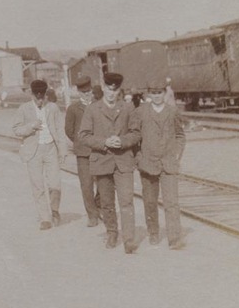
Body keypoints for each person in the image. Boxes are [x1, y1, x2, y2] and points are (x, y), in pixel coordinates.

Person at [74, 71, 142, 253]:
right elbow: (83, 135)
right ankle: (112, 232)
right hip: (102, 161)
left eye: (116, 89)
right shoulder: (92, 109)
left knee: (126, 200)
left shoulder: (128, 108)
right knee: (107, 202)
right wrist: (104, 142)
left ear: (119, 90)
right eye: (109, 89)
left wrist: (124, 141)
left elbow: (136, 133)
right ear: (103, 87)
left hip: (123, 161)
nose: (112, 93)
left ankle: (129, 239)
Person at [133, 81, 186, 249]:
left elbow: (180, 135)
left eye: (159, 93)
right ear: (148, 94)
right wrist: (139, 158)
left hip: (168, 163)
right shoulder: (140, 112)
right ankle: (153, 232)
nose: (156, 96)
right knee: (150, 201)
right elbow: (134, 137)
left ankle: (174, 238)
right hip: (148, 164)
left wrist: (176, 155)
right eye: (153, 93)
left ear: (165, 93)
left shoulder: (172, 112)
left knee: (171, 202)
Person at [13, 79, 66, 229]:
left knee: (55, 183)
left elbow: (60, 131)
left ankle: (54, 210)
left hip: (51, 149)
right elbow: (16, 129)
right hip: (33, 151)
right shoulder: (24, 109)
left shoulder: (53, 108)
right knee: (38, 186)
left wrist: (62, 151)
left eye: (42, 97)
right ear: (31, 94)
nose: (40, 100)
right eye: (37, 97)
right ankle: (45, 218)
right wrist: (31, 126)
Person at [63, 78, 102, 227]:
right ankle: (92, 215)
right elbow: (69, 130)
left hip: (99, 150)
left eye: (89, 92)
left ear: (92, 91)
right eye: (83, 92)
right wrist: (79, 142)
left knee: (102, 182)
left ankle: (99, 206)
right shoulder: (73, 108)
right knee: (86, 184)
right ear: (79, 92)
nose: (87, 95)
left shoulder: (98, 106)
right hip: (83, 153)